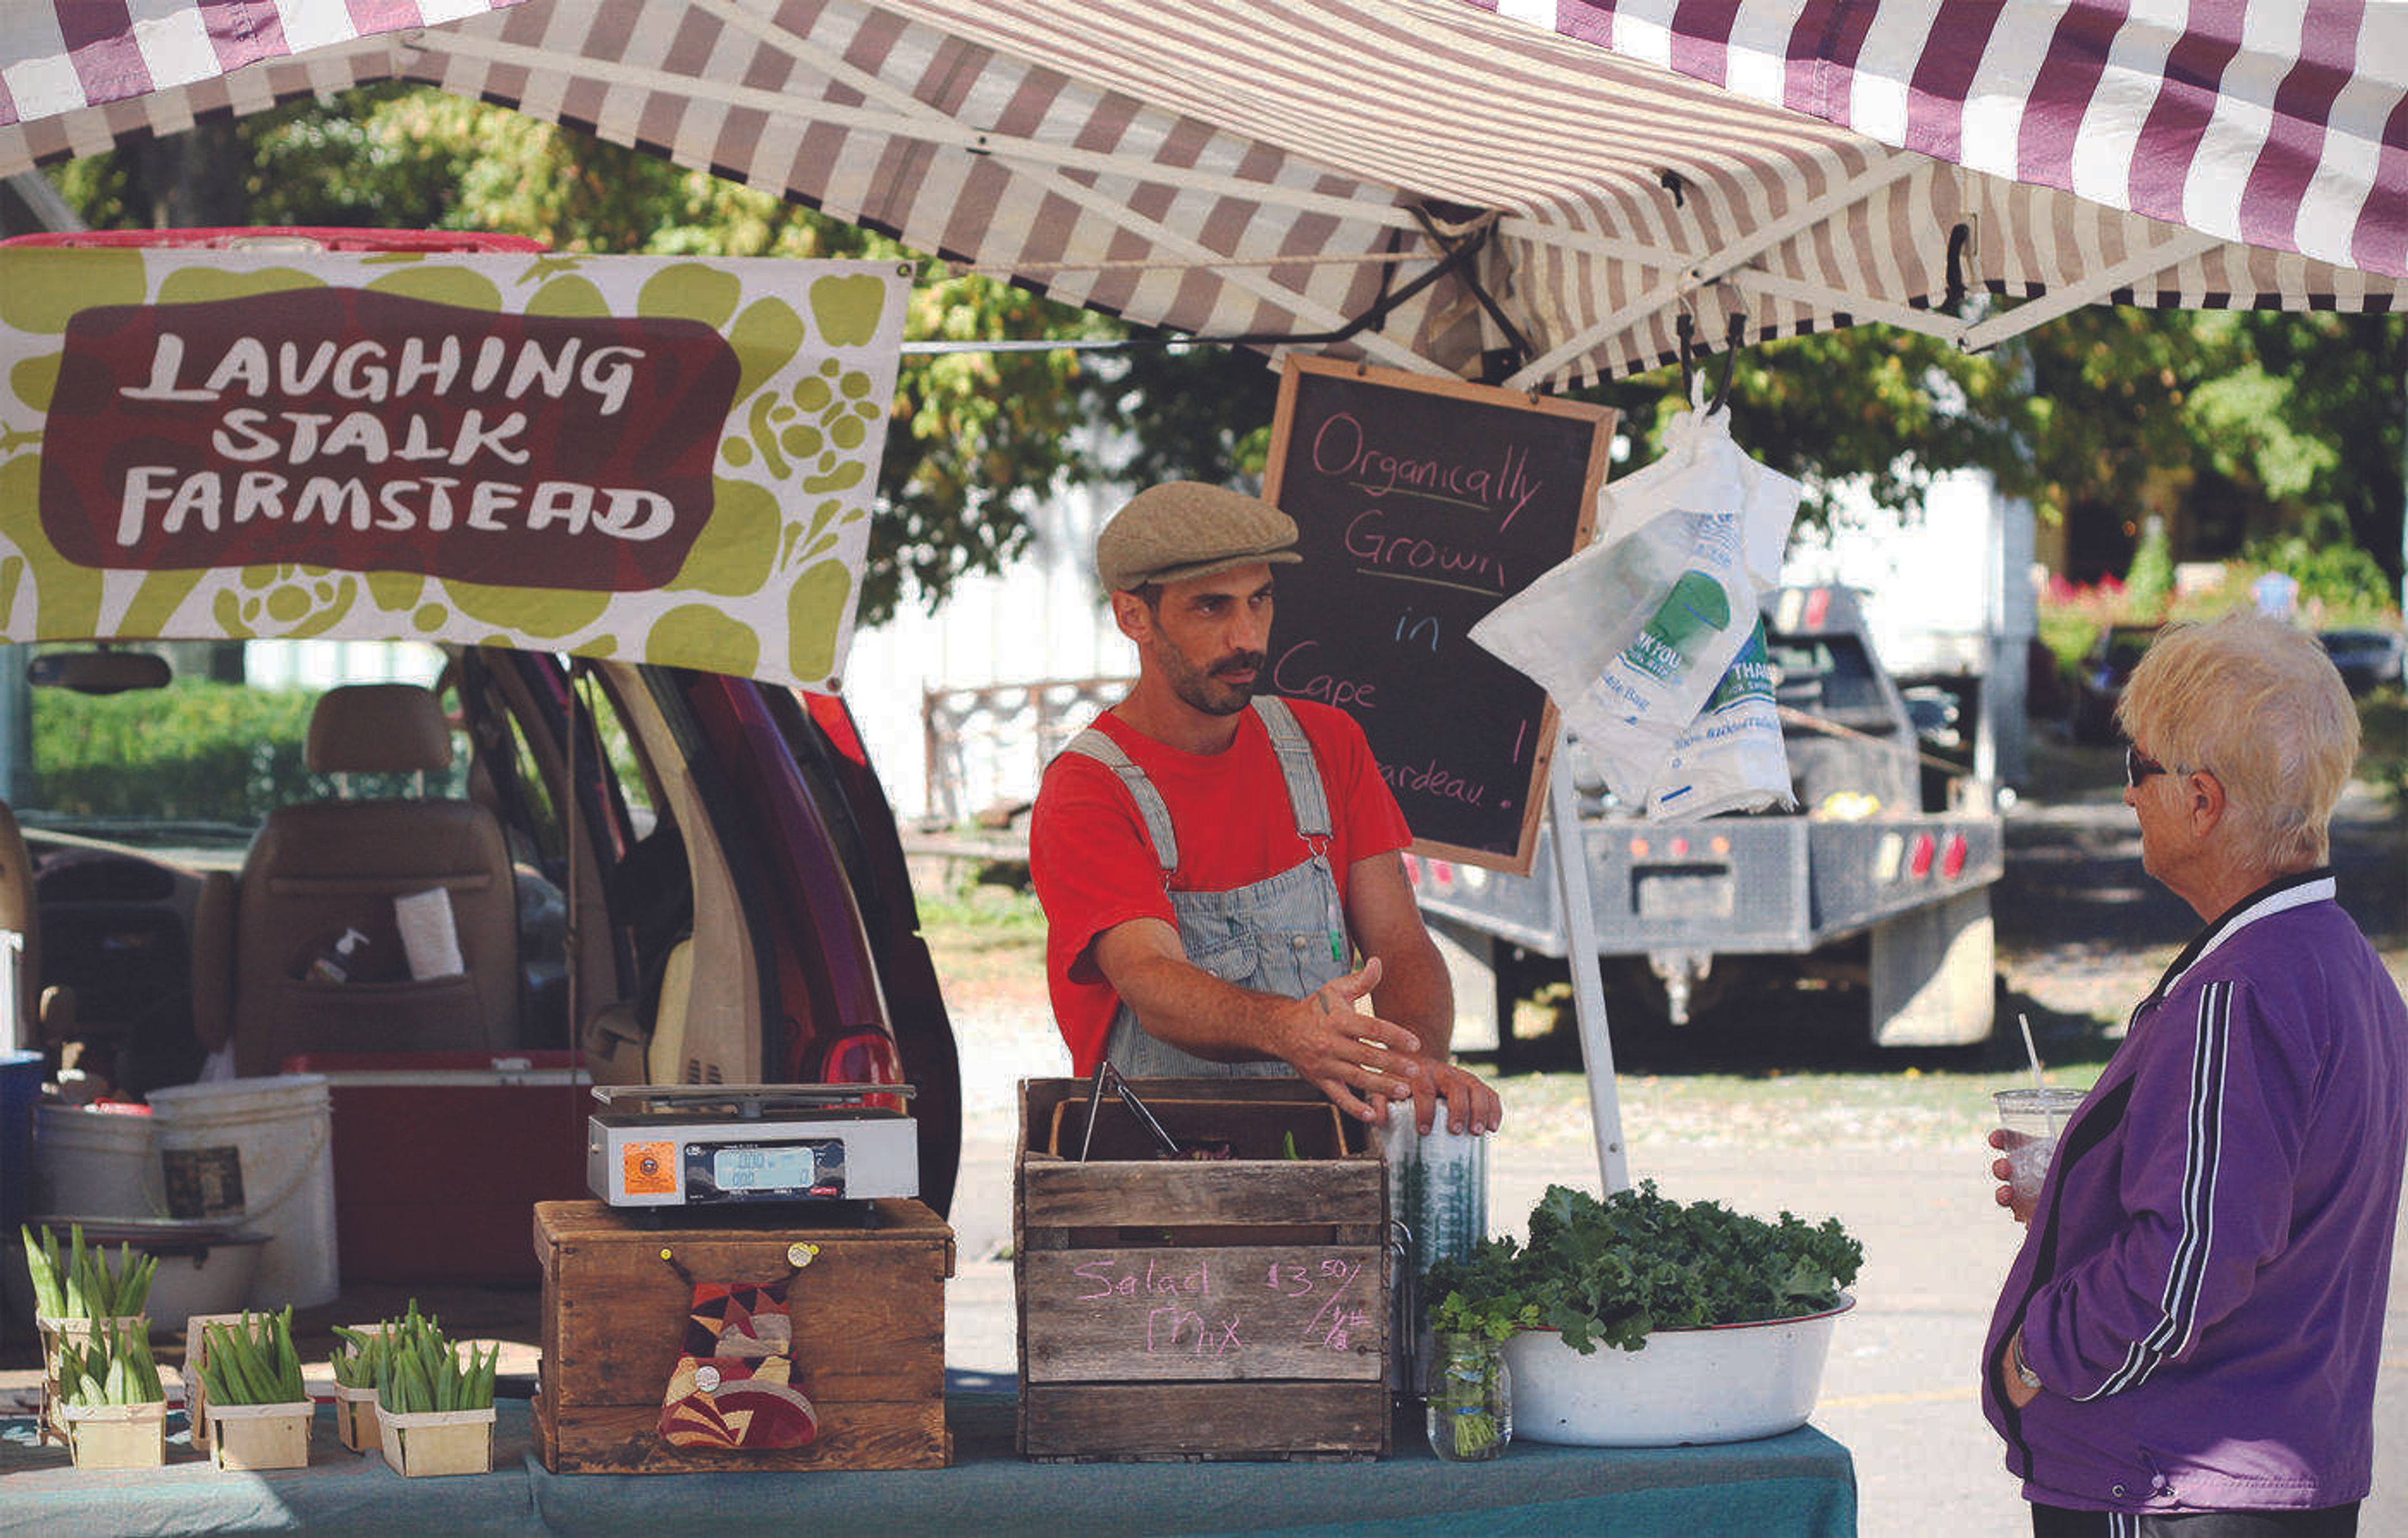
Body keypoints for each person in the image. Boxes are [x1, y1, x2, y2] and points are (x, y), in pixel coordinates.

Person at [1981, 613, 2407, 1537]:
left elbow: (2187, 1265)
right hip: (2270, 1474)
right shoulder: (2343, 962)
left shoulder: (2239, 992)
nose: (2130, 795)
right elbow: (2266, 1200)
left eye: (2139, 768)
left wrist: (2037, 1354)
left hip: (2175, 1483)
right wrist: (2080, 1189)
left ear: (2203, 801)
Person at [1029, 480, 1501, 1136]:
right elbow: (1149, 978)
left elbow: (1401, 943)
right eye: (1211, 608)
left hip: (1331, 1161)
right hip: (1157, 1174)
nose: (1246, 637)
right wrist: (1289, 1029)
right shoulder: (1086, 788)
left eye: (1260, 600)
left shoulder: (1328, 744)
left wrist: (1411, 1065)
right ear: (1134, 616)